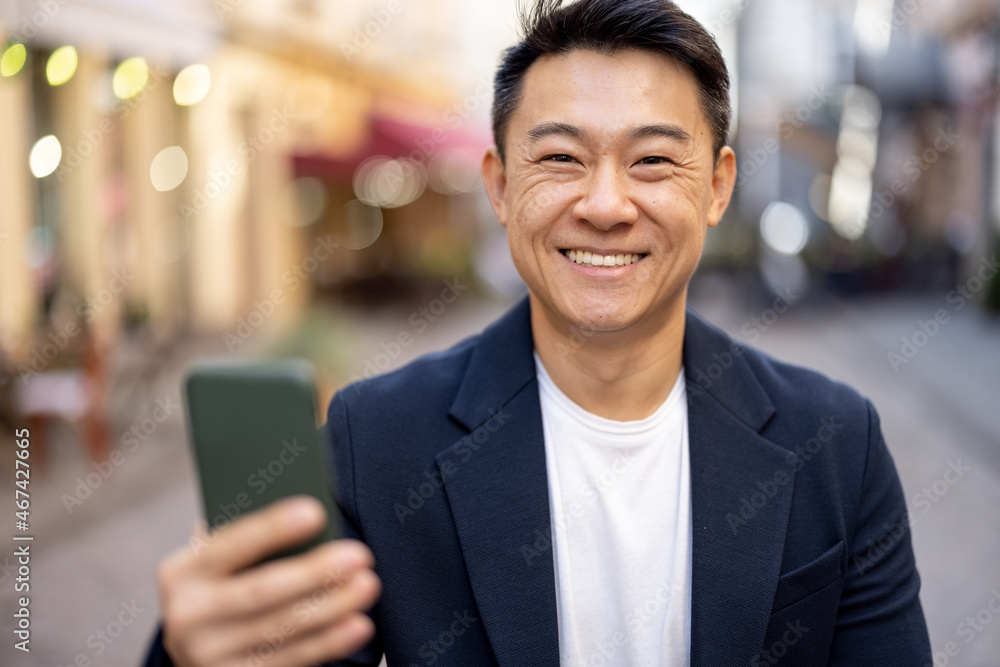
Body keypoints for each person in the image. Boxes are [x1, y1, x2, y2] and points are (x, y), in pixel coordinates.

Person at [145, 1, 932, 665]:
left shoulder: (833, 442)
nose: (605, 203)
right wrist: (191, 648)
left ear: (718, 186)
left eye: (653, 160)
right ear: (500, 184)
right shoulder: (375, 440)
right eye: (561, 156)